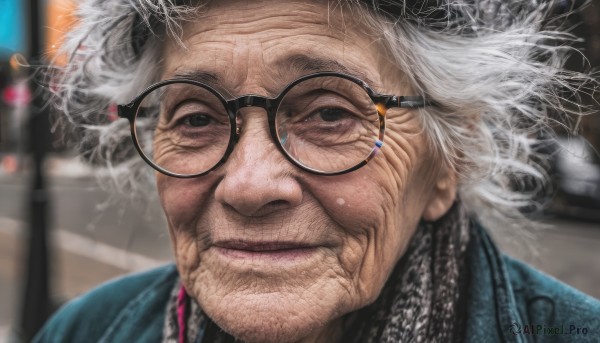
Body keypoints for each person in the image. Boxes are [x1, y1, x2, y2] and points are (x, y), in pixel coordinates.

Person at [35, 0, 600, 342]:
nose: (250, 185)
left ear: (451, 159)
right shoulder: (86, 332)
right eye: (196, 117)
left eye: (330, 113)